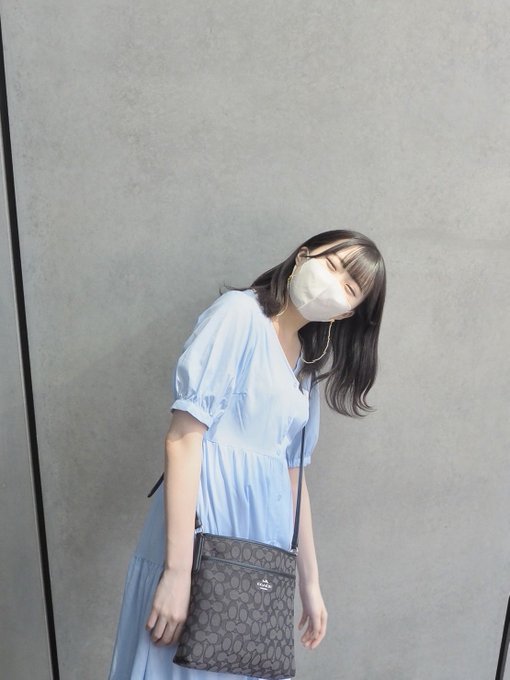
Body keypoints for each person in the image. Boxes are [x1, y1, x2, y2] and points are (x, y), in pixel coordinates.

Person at [107, 229, 386, 680]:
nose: (333, 284)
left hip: (259, 549)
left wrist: (310, 584)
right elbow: (183, 438)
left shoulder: (307, 368)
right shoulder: (239, 314)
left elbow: (294, 480)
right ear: (302, 257)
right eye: (331, 265)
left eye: (349, 287)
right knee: (171, 663)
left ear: (347, 313)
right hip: (202, 533)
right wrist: (177, 572)